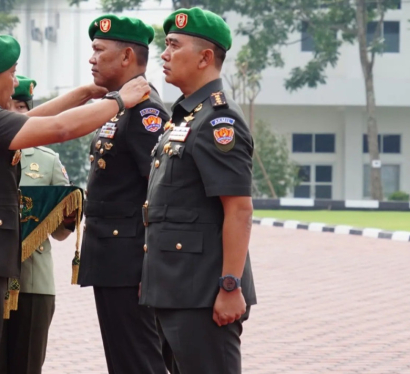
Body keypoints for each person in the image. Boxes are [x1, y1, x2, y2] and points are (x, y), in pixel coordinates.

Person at [0, 31, 150, 374]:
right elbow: (56, 129)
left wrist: (85, 94)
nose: (14, 84)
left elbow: (29, 121)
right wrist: (119, 102)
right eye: (12, 74)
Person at [139, 8, 257, 374]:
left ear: (206, 57)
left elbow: (238, 209)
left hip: (204, 292)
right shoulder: (188, 116)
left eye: (174, 45)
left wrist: (230, 285)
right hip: (175, 288)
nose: (164, 53)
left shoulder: (219, 120)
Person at [76, 15, 170, 374]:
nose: (92, 58)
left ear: (127, 56)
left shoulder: (145, 110)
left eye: (99, 50)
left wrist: (153, 264)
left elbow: (159, 192)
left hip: (131, 261)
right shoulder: (119, 106)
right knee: (124, 360)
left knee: (140, 361)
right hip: (112, 258)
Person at [0, 75, 74, 374]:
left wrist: (69, 215)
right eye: (8, 107)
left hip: (32, 284)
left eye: (21, 107)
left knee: (26, 365)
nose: (16, 115)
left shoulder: (48, 160)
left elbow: (60, 232)